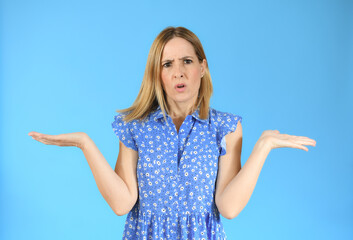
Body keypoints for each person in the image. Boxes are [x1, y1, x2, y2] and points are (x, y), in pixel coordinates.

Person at [28, 26, 316, 239]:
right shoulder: (134, 126)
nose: (178, 72)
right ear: (159, 74)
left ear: (202, 67)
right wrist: (84, 143)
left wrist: (263, 146)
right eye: (168, 64)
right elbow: (122, 203)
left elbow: (228, 207)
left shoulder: (225, 127)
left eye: (187, 61)